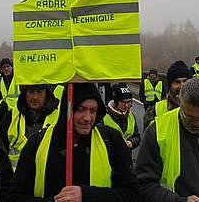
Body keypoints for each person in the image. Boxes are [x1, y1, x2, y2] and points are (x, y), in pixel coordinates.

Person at [10, 83, 139, 202]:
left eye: (93, 110)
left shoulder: (111, 139)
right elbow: (15, 196)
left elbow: (132, 193)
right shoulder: (37, 142)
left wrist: (87, 195)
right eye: (80, 109)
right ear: (66, 109)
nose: (87, 118)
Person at [0, 84, 60, 171]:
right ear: (25, 93)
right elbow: (0, 151)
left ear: (47, 93)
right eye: (31, 92)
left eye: (39, 92)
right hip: (15, 180)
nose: (35, 97)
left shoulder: (58, 117)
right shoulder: (12, 116)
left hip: (46, 180)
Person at [144, 61, 191, 128]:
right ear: (170, 86)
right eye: (177, 82)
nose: (182, 86)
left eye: (185, 81)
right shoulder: (155, 110)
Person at [104, 84, 140, 152]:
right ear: (116, 102)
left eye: (129, 102)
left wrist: (131, 142)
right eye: (123, 102)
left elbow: (137, 136)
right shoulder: (104, 117)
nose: (126, 105)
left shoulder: (131, 116)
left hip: (127, 157)